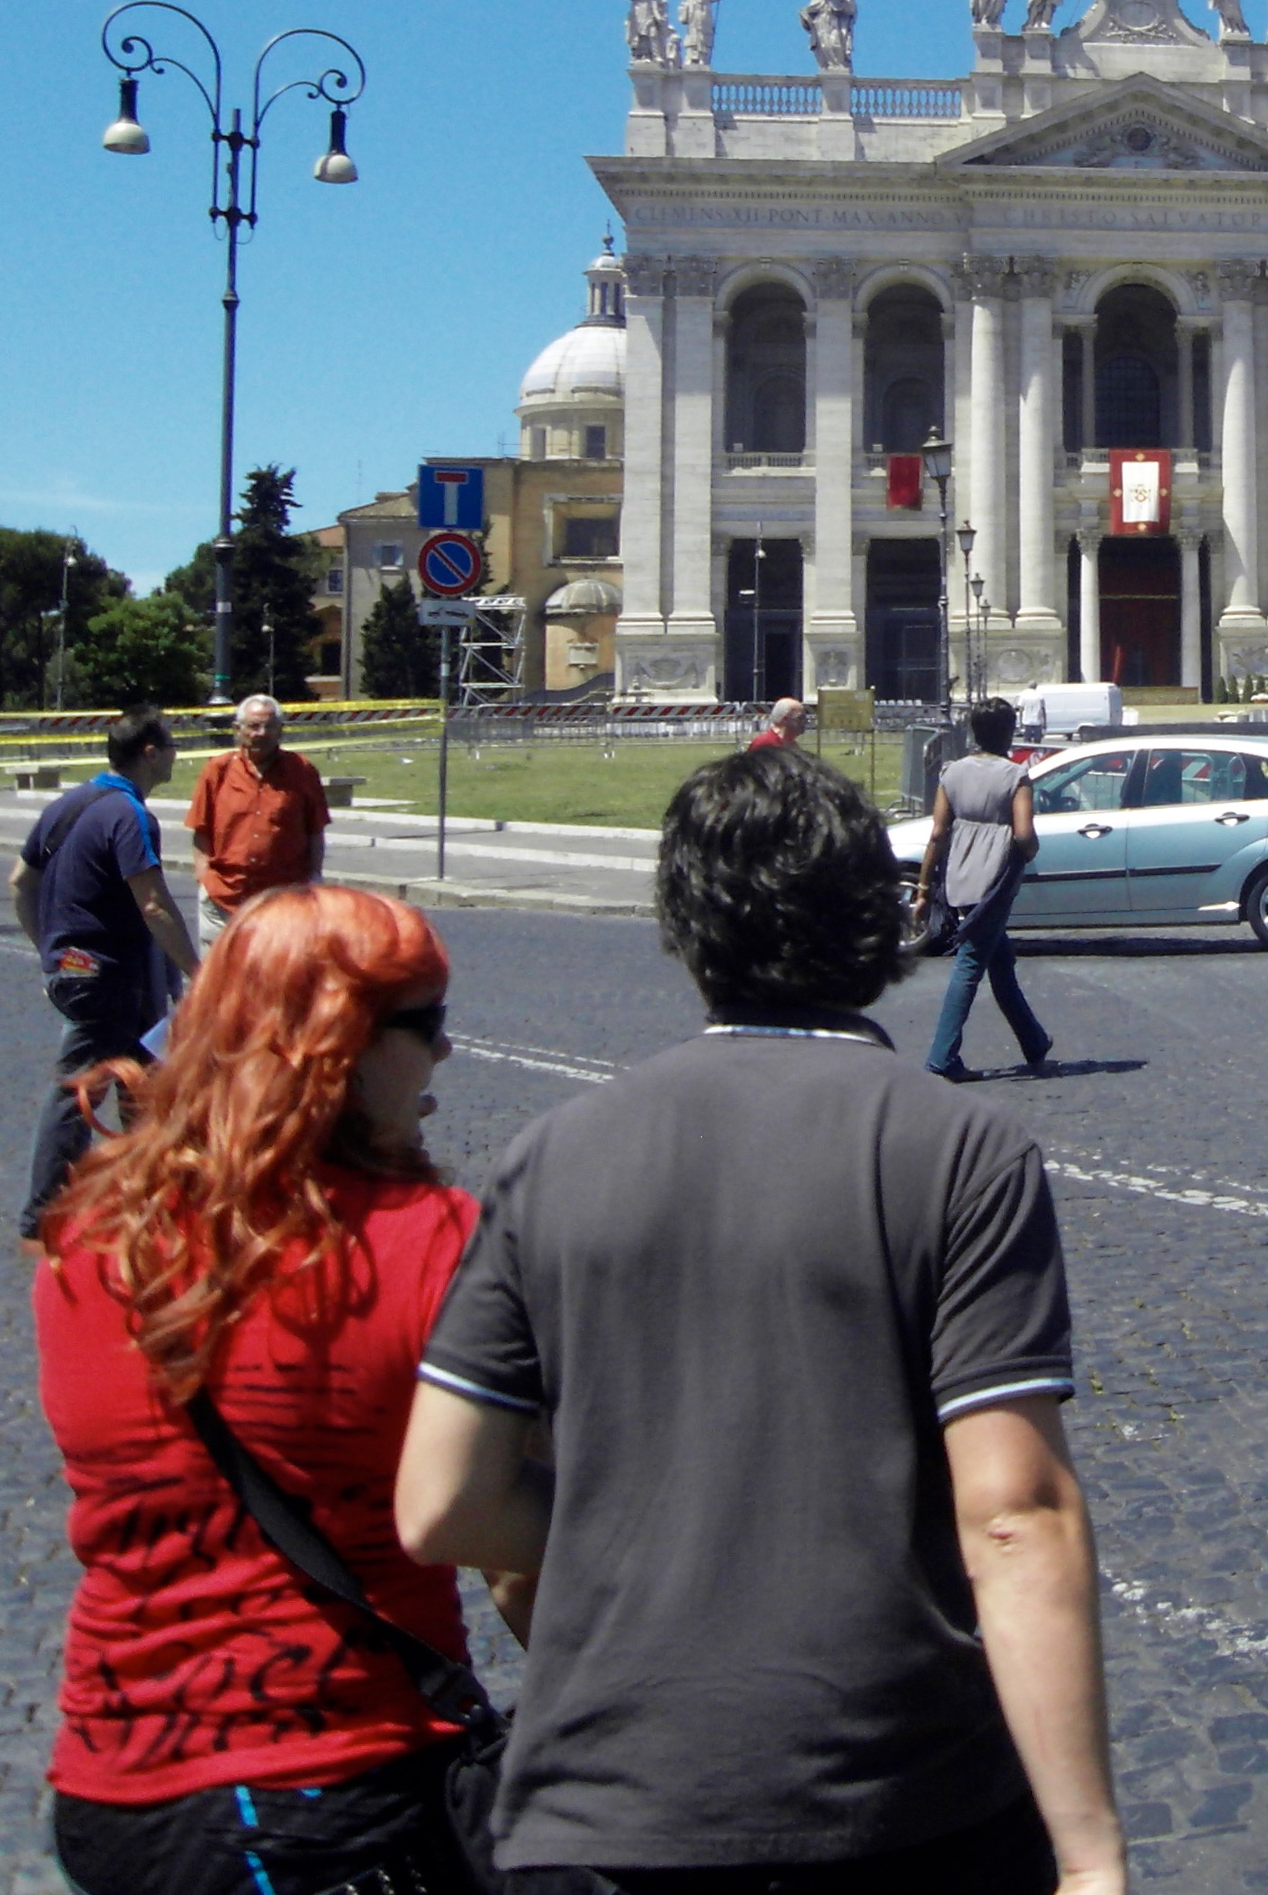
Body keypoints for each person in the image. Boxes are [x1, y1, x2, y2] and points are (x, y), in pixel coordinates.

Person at [398, 747, 1122, 1891]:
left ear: (684, 928)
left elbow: (443, 1502)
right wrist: (1088, 1853)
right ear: (875, 919)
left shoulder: (549, 1155)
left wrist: (637, 1535)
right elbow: (1015, 1514)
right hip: (895, 1794)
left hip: (601, 1810)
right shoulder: (960, 1148)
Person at [34, 886, 512, 1895]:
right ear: (342, 1047)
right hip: (330, 1787)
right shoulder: (433, 1242)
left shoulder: (89, 1234)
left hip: (111, 1783)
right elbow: (507, 1546)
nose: (445, 1049)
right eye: (426, 1022)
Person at [9, 709, 201, 1240]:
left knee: (147, 1087)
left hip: (87, 971)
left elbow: (20, 882)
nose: (176, 755)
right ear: (150, 753)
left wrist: (51, 953)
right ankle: (43, 1213)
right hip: (110, 974)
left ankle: (156, 1199)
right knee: (80, 1089)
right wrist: (197, 970)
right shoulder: (129, 815)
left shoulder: (68, 804)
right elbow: (154, 903)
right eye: (171, 746)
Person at [917, 699, 1056, 1078]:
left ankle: (1033, 1040)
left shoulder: (952, 772)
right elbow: (1024, 834)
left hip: (960, 872)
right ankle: (942, 1056)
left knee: (1000, 960)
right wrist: (1029, 852)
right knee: (970, 963)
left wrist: (924, 888)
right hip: (995, 877)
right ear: (1009, 732)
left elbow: (937, 832)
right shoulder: (1015, 776)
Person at [185, 693, 329, 944]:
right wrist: (204, 879)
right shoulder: (217, 770)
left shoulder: (302, 771)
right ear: (237, 729)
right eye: (253, 726)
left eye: (269, 726)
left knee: (278, 969)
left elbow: (315, 831)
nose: (261, 733)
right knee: (222, 970)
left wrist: (315, 877)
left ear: (281, 730)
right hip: (223, 900)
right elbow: (200, 830)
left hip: (282, 903)